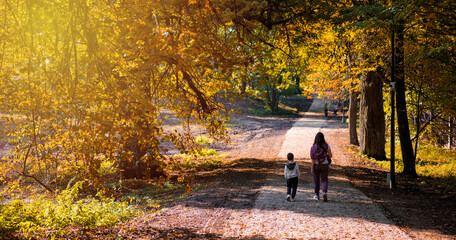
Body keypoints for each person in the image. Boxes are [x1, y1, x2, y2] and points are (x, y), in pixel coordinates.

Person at [310, 132, 332, 202]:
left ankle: (316, 195)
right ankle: (324, 192)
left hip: (316, 165)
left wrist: (312, 167)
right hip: (325, 165)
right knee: (324, 179)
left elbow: (313, 158)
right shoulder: (327, 146)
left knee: (316, 180)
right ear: (323, 138)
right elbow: (330, 155)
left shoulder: (313, 147)